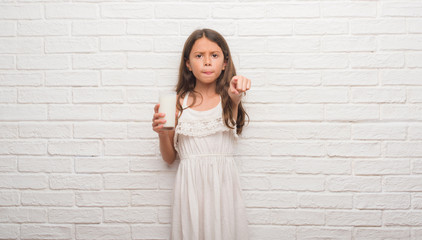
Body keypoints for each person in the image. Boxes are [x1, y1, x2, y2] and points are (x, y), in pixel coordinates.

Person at [152, 28, 251, 240]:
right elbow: (169, 159)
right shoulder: (178, 103)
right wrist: (162, 133)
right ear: (188, 63)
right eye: (199, 56)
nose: (207, 62)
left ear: (225, 62)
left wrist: (237, 91)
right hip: (189, 191)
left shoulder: (229, 99)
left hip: (223, 188)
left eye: (214, 56)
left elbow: (235, 96)